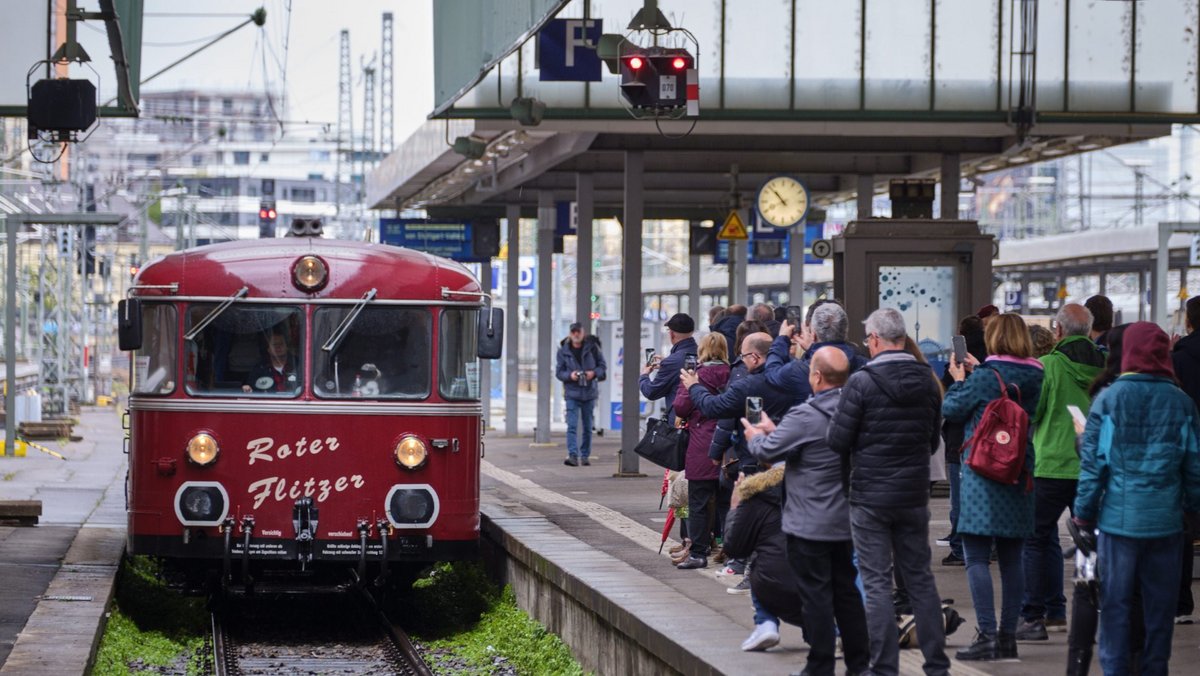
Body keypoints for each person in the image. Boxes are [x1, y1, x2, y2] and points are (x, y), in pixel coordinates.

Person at [827, 307, 950, 676]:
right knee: (920, 580)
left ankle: (884, 668)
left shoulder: (861, 382)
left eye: (868, 338)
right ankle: (938, 666)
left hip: (869, 497)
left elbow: (837, 440)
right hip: (913, 496)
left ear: (877, 339)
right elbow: (931, 441)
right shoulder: (928, 380)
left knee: (877, 582)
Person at [1074, 321, 1200, 676]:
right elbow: (1193, 467)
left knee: (1115, 608)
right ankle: (1155, 669)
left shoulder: (1110, 398)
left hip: (1119, 524)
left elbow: (1094, 464)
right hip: (1166, 525)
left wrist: (1083, 515)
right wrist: (1191, 511)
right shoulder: (1182, 402)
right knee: (1159, 612)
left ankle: (1115, 670)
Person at [743, 346, 870, 676]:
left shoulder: (805, 415)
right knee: (847, 593)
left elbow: (768, 451)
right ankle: (859, 666)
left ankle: (819, 666)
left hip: (809, 524)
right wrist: (776, 429)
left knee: (815, 596)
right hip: (847, 521)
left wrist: (756, 435)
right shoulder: (857, 411)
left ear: (816, 376)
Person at [942, 313, 1043, 661]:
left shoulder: (986, 376)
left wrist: (959, 379)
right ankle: (1007, 638)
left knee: (976, 558)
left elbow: (952, 408)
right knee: (1013, 559)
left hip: (984, 473)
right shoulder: (1036, 373)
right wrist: (979, 371)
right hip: (1019, 469)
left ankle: (986, 634)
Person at [1017, 304, 1104, 641]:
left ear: (1058, 331)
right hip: (1092, 468)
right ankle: (1083, 616)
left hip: (1051, 465)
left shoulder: (1049, 365)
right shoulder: (1106, 365)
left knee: (1037, 540)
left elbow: (1034, 413)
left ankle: (1035, 617)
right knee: (1088, 543)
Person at [721, 465, 809, 655]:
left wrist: (735, 507)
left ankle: (765, 623)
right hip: (820, 587)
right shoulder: (824, 488)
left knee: (759, 562)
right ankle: (832, 634)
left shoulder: (755, 495)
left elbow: (734, 547)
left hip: (771, 583)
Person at [671, 333, 731, 568]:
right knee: (727, 503)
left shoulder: (696, 375)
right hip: (728, 448)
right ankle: (731, 552)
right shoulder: (733, 374)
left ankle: (697, 553)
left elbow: (681, 407)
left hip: (701, 447)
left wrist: (687, 384)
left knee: (698, 503)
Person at [938, 315, 987, 567]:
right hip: (986, 445)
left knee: (959, 499)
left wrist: (956, 378)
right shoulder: (988, 365)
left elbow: (950, 404)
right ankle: (985, 546)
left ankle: (959, 547)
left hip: (960, 440)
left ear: (961, 334)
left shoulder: (961, 362)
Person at [764, 301, 868, 407]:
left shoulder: (800, 370)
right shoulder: (866, 366)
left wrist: (782, 339)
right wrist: (812, 349)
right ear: (845, 331)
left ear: (813, 335)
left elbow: (771, 373)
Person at [1171, 296, 1200, 625]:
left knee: (1183, 527)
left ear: (1189, 322)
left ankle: (1181, 602)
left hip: (1189, 443)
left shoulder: (1179, 358)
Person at [555, 322, 607, 467]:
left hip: (589, 393)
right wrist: (570, 375)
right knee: (571, 425)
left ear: (583, 333)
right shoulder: (563, 351)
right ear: (570, 334)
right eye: (573, 332)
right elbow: (559, 373)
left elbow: (603, 367)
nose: (576, 334)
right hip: (572, 393)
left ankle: (584, 456)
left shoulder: (592, 348)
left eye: (578, 332)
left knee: (587, 426)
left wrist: (593, 373)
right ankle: (572, 455)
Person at [639, 313, 697, 421]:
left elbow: (651, 392)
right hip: (700, 422)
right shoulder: (701, 353)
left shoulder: (672, 362)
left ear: (672, 334)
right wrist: (668, 361)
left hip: (679, 423)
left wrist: (644, 375)